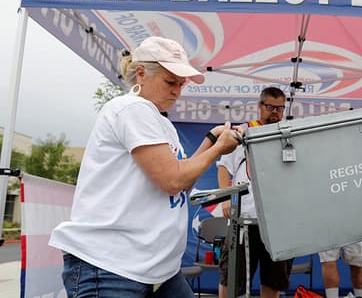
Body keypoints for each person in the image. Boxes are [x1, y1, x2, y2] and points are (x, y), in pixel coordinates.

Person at [49, 36, 242, 297]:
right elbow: (172, 180)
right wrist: (219, 149)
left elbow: (181, 182)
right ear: (141, 73)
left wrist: (210, 139)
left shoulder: (159, 122)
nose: (177, 90)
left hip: (154, 270)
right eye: (170, 82)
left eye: (181, 84)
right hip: (112, 268)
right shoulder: (131, 109)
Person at [217, 87, 293, 298]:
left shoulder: (288, 135)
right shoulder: (242, 132)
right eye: (270, 107)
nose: (275, 112)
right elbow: (224, 167)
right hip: (244, 221)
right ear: (260, 106)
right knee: (231, 277)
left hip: (276, 223)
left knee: (273, 281)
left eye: (280, 108)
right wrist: (225, 198)